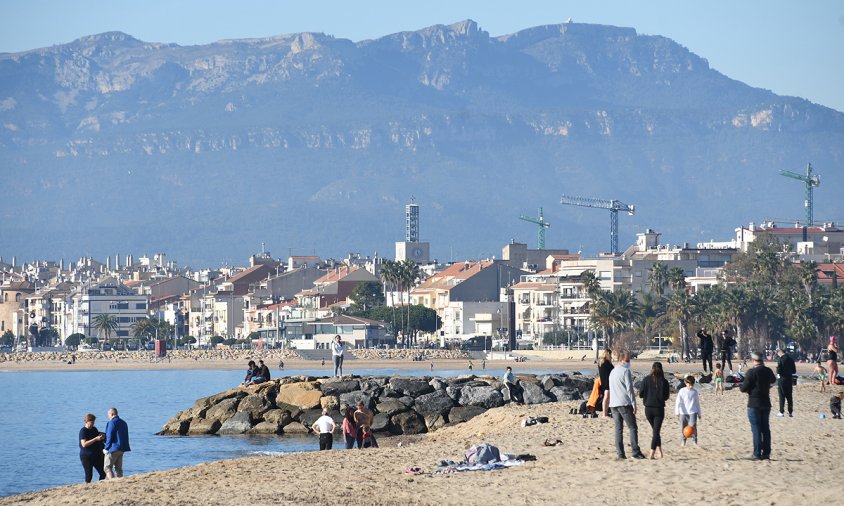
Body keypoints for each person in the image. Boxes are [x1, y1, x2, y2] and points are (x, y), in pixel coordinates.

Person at [608, 350, 646, 460]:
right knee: (632, 427)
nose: (629, 362)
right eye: (627, 360)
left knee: (618, 429)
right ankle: (635, 451)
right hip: (624, 403)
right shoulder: (625, 371)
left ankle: (620, 454)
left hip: (614, 403)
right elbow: (629, 389)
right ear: (620, 360)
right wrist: (634, 404)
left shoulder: (613, 372)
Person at [739, 351, 777, 460]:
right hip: (766, 402)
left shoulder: (752, 372)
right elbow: (773, 381)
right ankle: (766, 453)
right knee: (765, 429)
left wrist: (746, 387)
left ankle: (757, 453)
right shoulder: (768, 371)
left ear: (753, 360)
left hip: (754, 403)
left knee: (756, 429)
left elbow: (743, 388)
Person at [638, 362, 670, 459]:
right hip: (659, 409)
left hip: (648, 409)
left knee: (656, 431)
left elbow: (640, 394)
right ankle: (652, 453)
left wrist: (648, 395)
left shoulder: (646, 380)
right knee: (656, 432)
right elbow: (666, 397)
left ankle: (660, 452)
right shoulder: (664, 381)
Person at [675, 376, 702, 446]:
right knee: (683, 427)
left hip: (693, 412)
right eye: (689, 384)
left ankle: (694, 441)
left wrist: (699, 413)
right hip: (683, 412)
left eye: (692, 385)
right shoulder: (682, 391)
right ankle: (683, 441)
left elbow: (697, 403)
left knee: (693, 427)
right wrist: (677, 412)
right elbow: (678, 401)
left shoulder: (695, 392)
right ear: (685, 383)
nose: (690, 386)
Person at [104, 407, 130, 479]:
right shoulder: (124, 422)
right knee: (118, 468)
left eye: (108, 415)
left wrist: (106, 448)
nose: (108, 416)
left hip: (113, 448)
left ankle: (112, 481)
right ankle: (120, 481)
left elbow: (109, 436)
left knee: (107, 467)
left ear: (112, 414)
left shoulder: (112, 422)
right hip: (122, 448)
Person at [79, 413, 106, 483]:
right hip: (86, 456)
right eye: (91, 422)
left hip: (96, 455)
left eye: (94, 422)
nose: (93, 423)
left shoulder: (94, 429)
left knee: (103, 473)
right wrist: (95, 439)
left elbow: (98, 438)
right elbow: (84, 444)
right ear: (87, 421)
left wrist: (101, 437)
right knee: (89, 475)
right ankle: (87, 487)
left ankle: (100, 485)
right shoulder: (83, 431)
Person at [776, 348, 796, 417]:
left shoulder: (780, 359)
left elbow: (779, 370)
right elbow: (794, 371)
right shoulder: (791, 359)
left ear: (780, 353)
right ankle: (790, 412)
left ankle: (781, 412)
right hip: (789, 379)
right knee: (789, 396)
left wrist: (778, 371)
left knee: (782, 395)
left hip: (782, 379)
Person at [598, 349, 614, 418]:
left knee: (606, 397)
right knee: (606, 397)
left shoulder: (600, 362)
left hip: (603, 381)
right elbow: (612, 370)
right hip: (607, 382)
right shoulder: (607, 363)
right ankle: (604, 414)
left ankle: (605, 413)